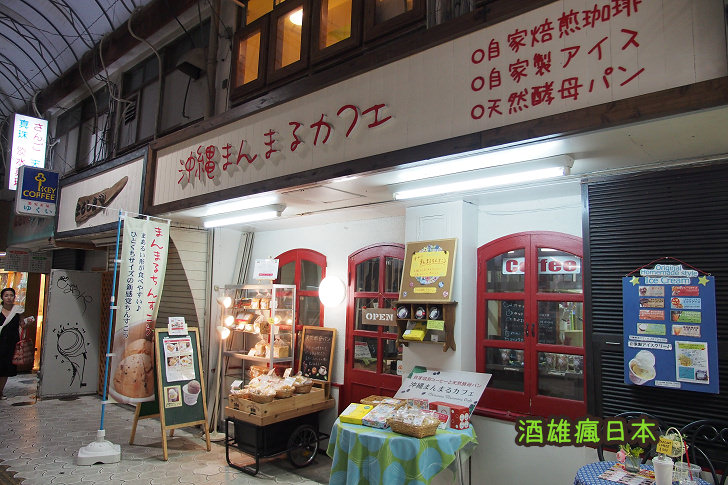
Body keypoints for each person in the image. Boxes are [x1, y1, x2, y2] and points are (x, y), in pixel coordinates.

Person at [0, 287, 35, 400]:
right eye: (6, 295)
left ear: (14, 297)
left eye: (11, 295)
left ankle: (0, 392)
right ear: (2, 297)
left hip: (11, 343)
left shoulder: (18, 310)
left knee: (5, 368)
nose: (9, 298)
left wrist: (28, 322)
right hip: (0, 340)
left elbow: (22, 324)